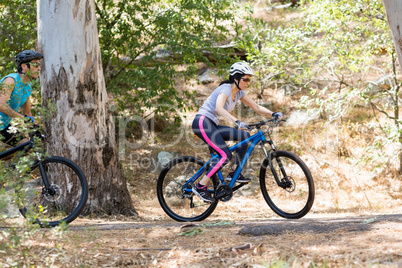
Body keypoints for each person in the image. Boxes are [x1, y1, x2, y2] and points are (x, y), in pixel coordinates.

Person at [192, 62, 283, 202]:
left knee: (245, 136)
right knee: (225, 155)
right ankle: (200, 186)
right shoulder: (226, 88)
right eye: (245, 79)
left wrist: (273, 113)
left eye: (249, 80)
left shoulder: (239, 93)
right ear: (236, 78)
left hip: (212, 124)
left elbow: (256, 107)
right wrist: (236, 121)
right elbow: (218, 108)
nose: (248, 82)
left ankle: (234, 172)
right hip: (202, 122)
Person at [0, 50, 43, 146]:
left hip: (3, 125)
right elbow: (1, 104)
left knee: (27, 146)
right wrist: (21, 118)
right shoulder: (11, 80)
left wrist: (34, 129)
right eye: (36, 65)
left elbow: (27, 113)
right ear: (24, 66)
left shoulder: (27, 87)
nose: (39, 68)